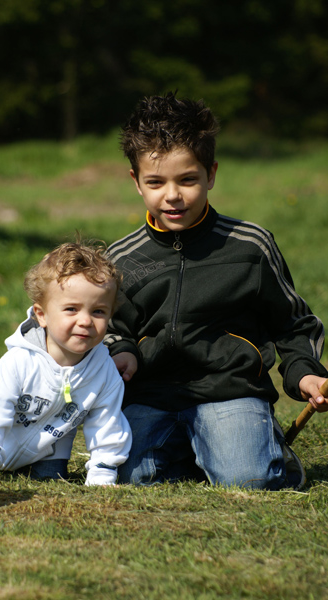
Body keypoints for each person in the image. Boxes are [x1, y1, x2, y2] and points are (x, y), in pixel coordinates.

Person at [104, 91, 328, 491]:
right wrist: (121, 348)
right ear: (136, 182)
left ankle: (261, 452)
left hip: (229, 391)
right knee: (125, 476)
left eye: (187, 179)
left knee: (249, 480)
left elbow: (294, 323)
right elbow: (110, 327)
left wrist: (304, 373)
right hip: (151, 394)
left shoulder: (250, 245)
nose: (172, 195)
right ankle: (199, 453)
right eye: (156, 182)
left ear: (211, 174)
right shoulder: (121, 257)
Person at [0, 242, 131, 486]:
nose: (85, 320)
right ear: (41, 315)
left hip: (38, 449)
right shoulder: (21, 361)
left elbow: (107, 423)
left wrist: (102, 475)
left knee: (51, 478)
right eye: (71, 309)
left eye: (98, 311)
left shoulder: (103, 370)